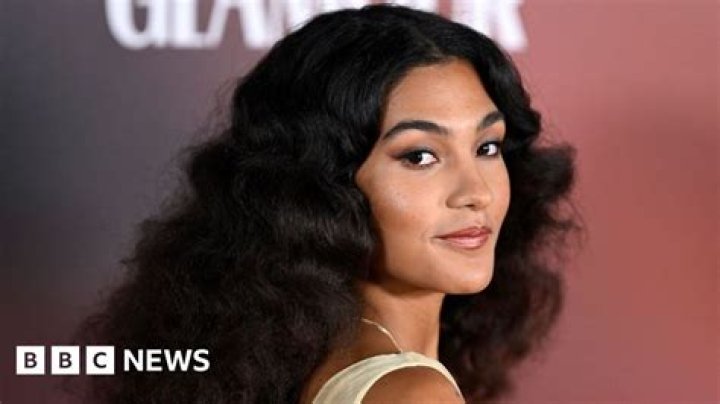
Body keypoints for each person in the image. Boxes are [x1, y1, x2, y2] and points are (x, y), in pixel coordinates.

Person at [78, 4, 579, 403]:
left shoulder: (303, 359)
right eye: (420, 156)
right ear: (322, 188)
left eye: (487, 147)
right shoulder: (411, 394)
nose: (477, 192)